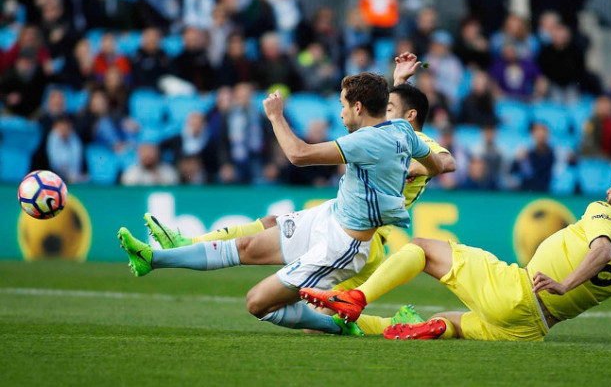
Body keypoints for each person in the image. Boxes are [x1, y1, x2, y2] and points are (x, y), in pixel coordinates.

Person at [118, 72, 444, 336]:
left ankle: (338, 325)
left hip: (342, 244)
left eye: (343, 104)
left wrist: (275, 116)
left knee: (257, 303)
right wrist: (415, 171)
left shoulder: (367, 140)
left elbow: (299, 155)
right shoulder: (402, 129)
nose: (340, 112)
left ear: (358, 107)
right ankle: (153, 259)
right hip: (327, 217)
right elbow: (438, 165)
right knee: (245, 245)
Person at [301, 163, 611, 346]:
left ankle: (355, 299)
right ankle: (353, 325)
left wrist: (565, 282)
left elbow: (600, 249)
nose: (608, 185)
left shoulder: (607, 214)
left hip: (519, 293)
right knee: (446, 323)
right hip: (530, 330)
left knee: (422, 248)